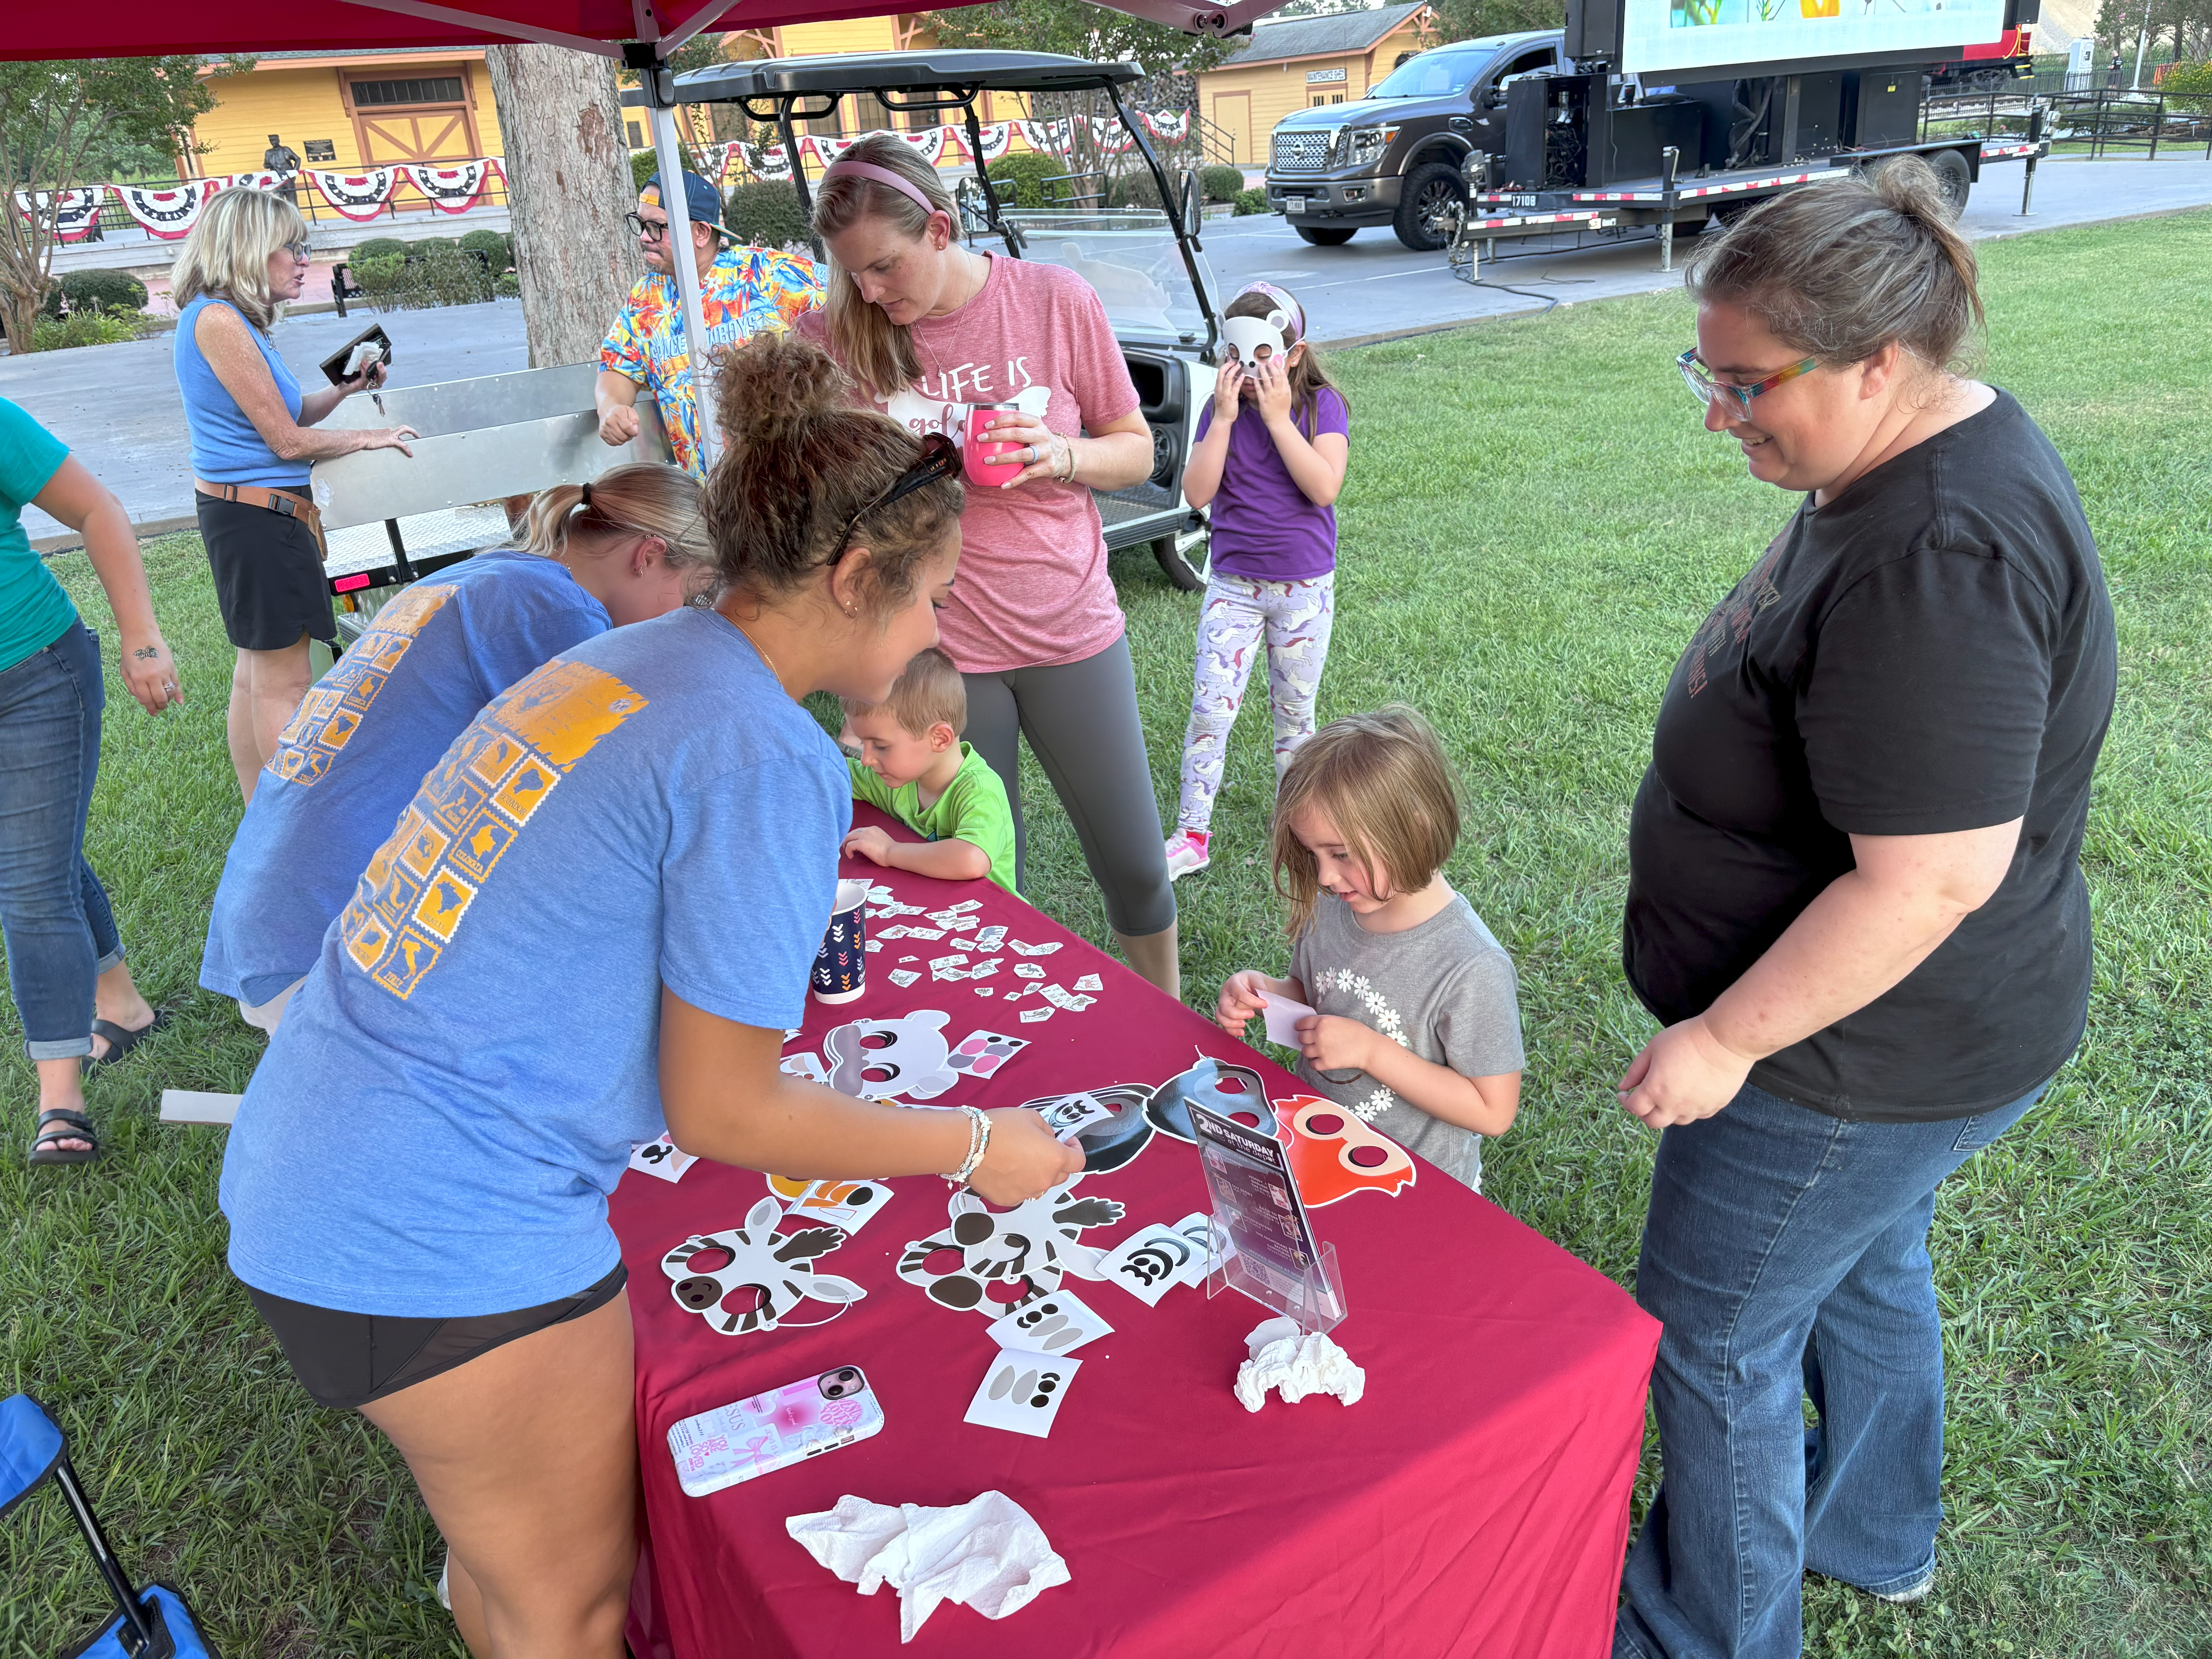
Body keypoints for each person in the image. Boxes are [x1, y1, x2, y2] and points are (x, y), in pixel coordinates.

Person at [217, 335, 1079, 1659]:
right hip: (439, 1228)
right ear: (853, 577)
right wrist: (979, 1145)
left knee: (508, 1573)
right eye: (929, 598)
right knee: (571, 1606)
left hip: (325, 1160)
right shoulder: (762, 752)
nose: (936, 632)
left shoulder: (632, 655)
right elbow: (724, 1106)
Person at [1611, 157, 2116, 1659]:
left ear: (1880, 362)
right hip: (1920, 1046)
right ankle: (1876, 1534)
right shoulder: (1890, 460)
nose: (1721, 414)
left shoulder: (1939, 553)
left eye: (1749, 383)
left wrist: (1721, 1038)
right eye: (1706, 376)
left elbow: (1934, 877)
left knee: (1715, 1336)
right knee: (1862, 1259)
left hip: (1857, 1059)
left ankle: (1718, 1630)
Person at [800, 134, 1181, 997]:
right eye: (853, 273)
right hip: (939, 652)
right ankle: (999, 1043)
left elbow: (1133, 452)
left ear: (940, 228)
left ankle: (1176, 1028)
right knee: (976, 880)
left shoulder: (1053, 300)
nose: (870, 291)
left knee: (1135, 866)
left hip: (1067, 627)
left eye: (887, 267)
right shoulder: (837, 337)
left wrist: (1061, 456)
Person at [200, 463, 716, 1033]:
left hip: (274, 899)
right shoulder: (559, 615)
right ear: (648, 555)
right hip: (326, 932)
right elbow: (606, 800)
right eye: (693, 595)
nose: (682, 620)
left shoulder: (497, 577)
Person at [171, 185, 417, 803]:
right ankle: (295, 826)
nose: (305, 259)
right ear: (251, 249)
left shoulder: (226, 319)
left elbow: (292, 413)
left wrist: (350, 388)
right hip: (259, 521)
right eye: (293, 247)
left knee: (255, 677)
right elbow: (285, 441)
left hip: (245, 514)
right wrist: (371, 437)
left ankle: (263, 819)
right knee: (282, 687)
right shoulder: (220, 321)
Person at [1216, 706, 1523, 1192]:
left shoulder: (1470, 964)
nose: (1324, 877)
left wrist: (1371, 1052)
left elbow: (1493, 1109)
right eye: (1314, 854)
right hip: (1314, 1146)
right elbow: (1316, 996)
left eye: (1340, 854)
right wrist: (1267, 993)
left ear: (1415, 828)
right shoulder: (1336, 906)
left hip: (1416, 1185)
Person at [0, 398, 179, 1164]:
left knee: (29, 882)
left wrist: (141, 638)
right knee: (45, 857)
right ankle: (125, 1008)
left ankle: (60, 1102)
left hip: (37, 671)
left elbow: (97, 509)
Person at [1166, 281, 1349, 883]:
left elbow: (1323, 486)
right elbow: (1197, 493)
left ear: (1293, 353)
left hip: (1303, 591)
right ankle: (1193, 833)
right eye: (1235, 354)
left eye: (1263, 355)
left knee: (1295, 720)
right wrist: (1222, 420)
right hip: (1234, 588)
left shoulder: (1323, 406)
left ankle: (1298, 830)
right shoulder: (1220, 409)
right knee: (1209, 713)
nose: (1247, 369)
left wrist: (1276, 420)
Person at [595, 168, 823, 479]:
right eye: (641, 224)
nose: (645, 237)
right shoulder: (646, 301)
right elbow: (617, 369)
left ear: (702, 232)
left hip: (792, 480)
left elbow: (849, 299)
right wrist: (611, 408)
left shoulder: (764, 273)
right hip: (710, 499)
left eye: (657, 227)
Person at [839, 644, 1018, 894]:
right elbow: (831, 777)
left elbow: (971, 859)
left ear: (939, 739)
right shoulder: (894, 776)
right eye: (863, 743)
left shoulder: (980, 791)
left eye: (880, 746)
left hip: (990, 921)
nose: (867, 759)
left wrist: (890, 852)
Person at [263, 134, 301, 207]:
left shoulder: (286, 150)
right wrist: (268, 163)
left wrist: (294, 172)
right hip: (277, 180)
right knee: (278, 201)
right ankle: (282, 218)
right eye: (271, 141)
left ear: (279, 140)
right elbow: (266, 165)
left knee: (292, 200)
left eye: (275, 140)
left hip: (288, 179)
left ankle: (295, 217)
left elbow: (298, 159)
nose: (273, 142)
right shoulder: (268, 153)